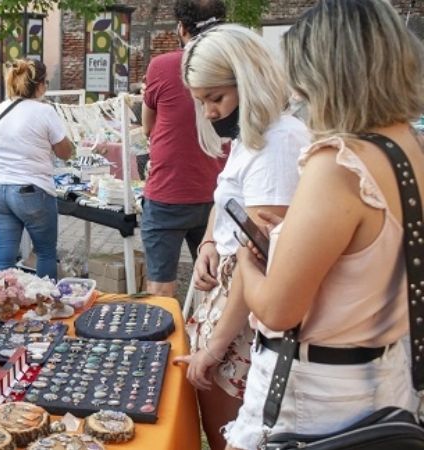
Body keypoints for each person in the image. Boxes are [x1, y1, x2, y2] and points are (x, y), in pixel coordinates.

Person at [225, 1, 423, 448]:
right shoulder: (410, 148)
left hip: (316, 396)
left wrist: (244, 253)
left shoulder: (338, 163)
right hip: (386, 379)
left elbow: (277, 310)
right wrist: (299, 230)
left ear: (326, 75)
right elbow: (373, 248)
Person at [173, 24, 311, 450]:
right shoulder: (253, 134)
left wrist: (214, 349)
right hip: (231, 304)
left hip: (243, 315)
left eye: (216, 98)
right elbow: (227, 199)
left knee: (232, 438)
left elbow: (261, 259)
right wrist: (211, 243)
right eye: (203, 101)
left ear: (249, 79)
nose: (211, 112)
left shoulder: (278, 142)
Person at [140, 0, 227, 298]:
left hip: (169, 192)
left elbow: (148, 129)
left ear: (181, 28)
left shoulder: (163, 66)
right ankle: (209, 338)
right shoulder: (234, 67)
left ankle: (161, 343)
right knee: (215, 282)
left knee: (161, 285)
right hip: (219, 190)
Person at [0, 59, 73, 279]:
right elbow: (64, 152)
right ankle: (45, 308)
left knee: (2, 258)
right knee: (45, 254)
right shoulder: (45, 111)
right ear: (40, 85)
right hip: (33, 191)